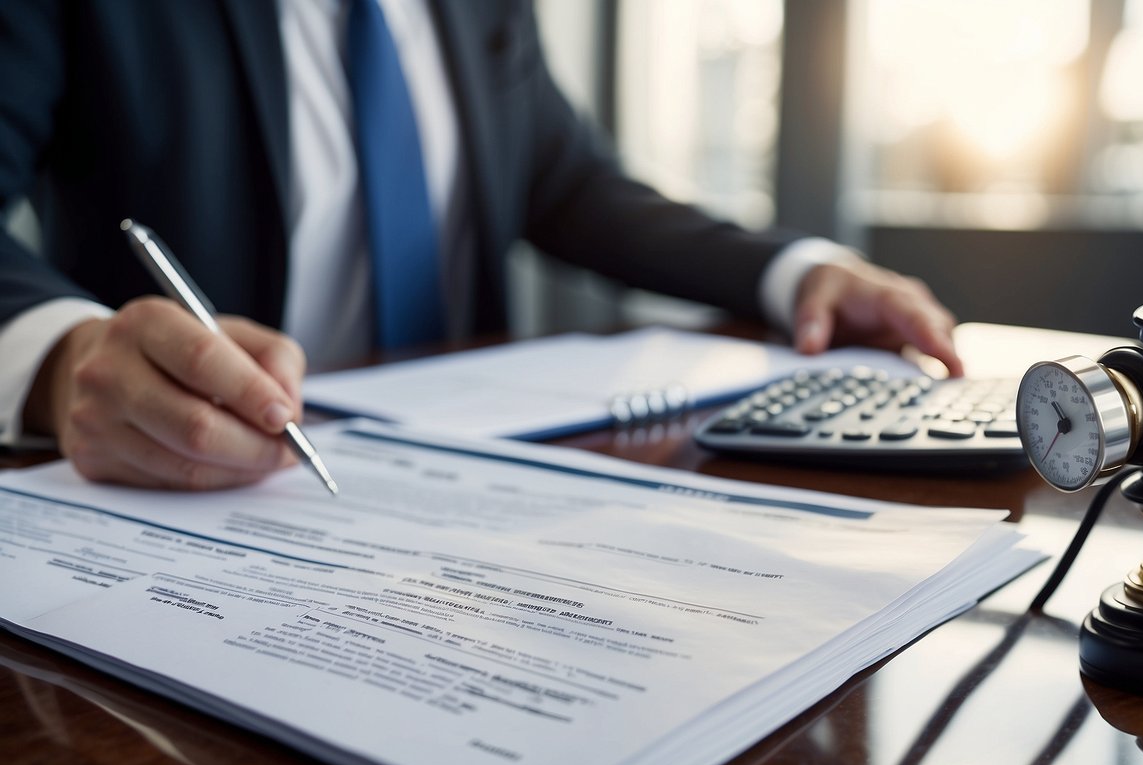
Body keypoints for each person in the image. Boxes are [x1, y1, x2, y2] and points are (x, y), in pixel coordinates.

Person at [0, 0, 961, 491]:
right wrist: (63, 356)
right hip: (202, 477)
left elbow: (570, 184)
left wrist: (792, 269)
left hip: (480, 480)